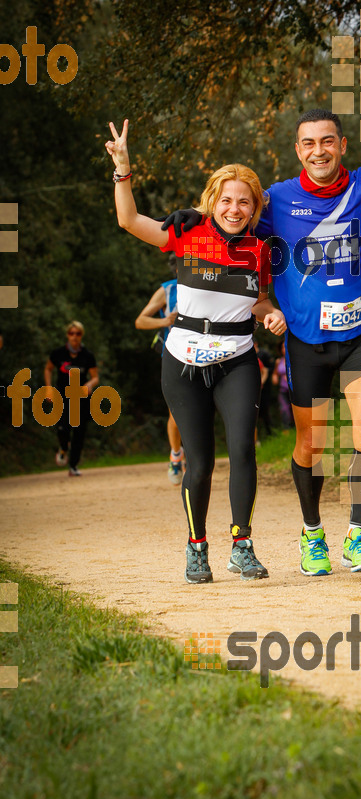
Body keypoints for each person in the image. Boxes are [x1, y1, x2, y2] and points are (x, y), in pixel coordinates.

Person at [164, 70, 361, 577]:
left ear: (341, 145)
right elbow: (232, 214)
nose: (319, 150)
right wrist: (190, 217)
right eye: (309, 143)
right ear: (297, 149)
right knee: (309, 445)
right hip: (306, 341)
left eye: (327, 141)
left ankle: (358, 535)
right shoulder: (276, 200)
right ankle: (313, 534)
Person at [105, 119, 286, 584]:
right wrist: (122, 170)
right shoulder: (187, 234)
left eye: (244, 201)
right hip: (182, 359)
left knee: (243, 449)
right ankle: (197, 548)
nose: (234, 207)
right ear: (212, 202)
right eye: (226, 199)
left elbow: (259, 297)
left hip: (238, 358)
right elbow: (128, 220)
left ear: (255, 207)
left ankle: (241, 545)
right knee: (200, 461)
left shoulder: (262, 249)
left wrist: (269, 313)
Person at [135, 257, 186, 485]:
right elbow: (141, 321)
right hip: (174, 356)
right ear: (176, 268)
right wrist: (165, 321)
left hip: (206, 357)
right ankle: (176, 455)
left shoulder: (210, 285)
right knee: (175, 413)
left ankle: (195, 458)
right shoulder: (167, 290)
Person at [44, 320, 99, 476]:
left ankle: (73, 466)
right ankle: (63, 448)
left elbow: (95, 377)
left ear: (82, 335)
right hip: (61, 395)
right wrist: (48, 388)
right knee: (62, 428)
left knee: (79, 433)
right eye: (71, 333)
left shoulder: (87, 356)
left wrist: (90, 384)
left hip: (80, 397)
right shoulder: (58, 353)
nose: (74, 337)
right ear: (67, 335)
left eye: (78, 334)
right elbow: (48, 369)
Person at [272, 341, 293, 431]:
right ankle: (286, 429)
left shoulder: (295, 359)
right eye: (283, 347)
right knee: (284, 409)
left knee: (295, 409)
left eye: (286, 347)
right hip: (283, 389)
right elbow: (275, 373)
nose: (285, 349)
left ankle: (298, 428)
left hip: (294, 389)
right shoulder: (278, 361)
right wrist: (275, 377)